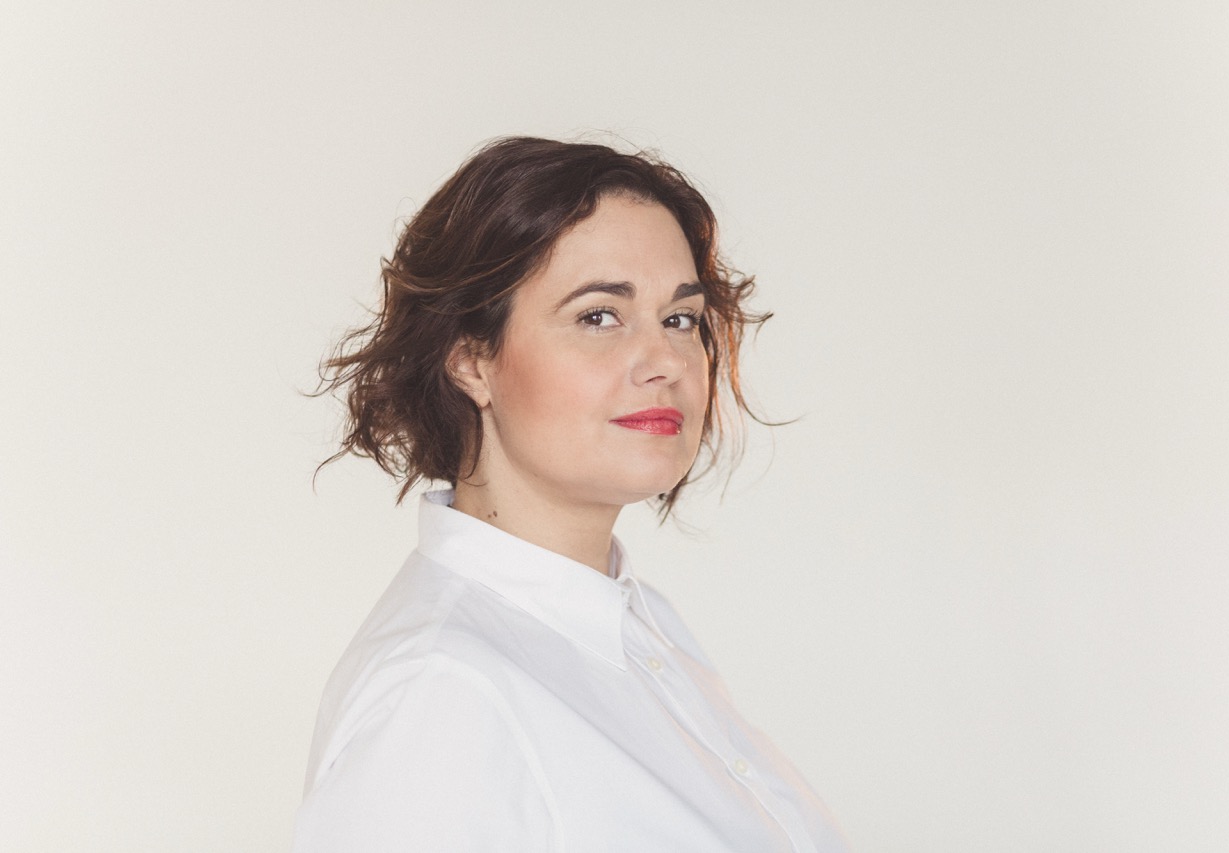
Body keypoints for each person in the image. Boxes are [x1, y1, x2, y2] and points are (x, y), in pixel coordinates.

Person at [293, 136, 851, 852]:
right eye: (599, 315)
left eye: (680, 318)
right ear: (471, 360)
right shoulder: (442, 692)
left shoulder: (637, 625)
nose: (665, 360)